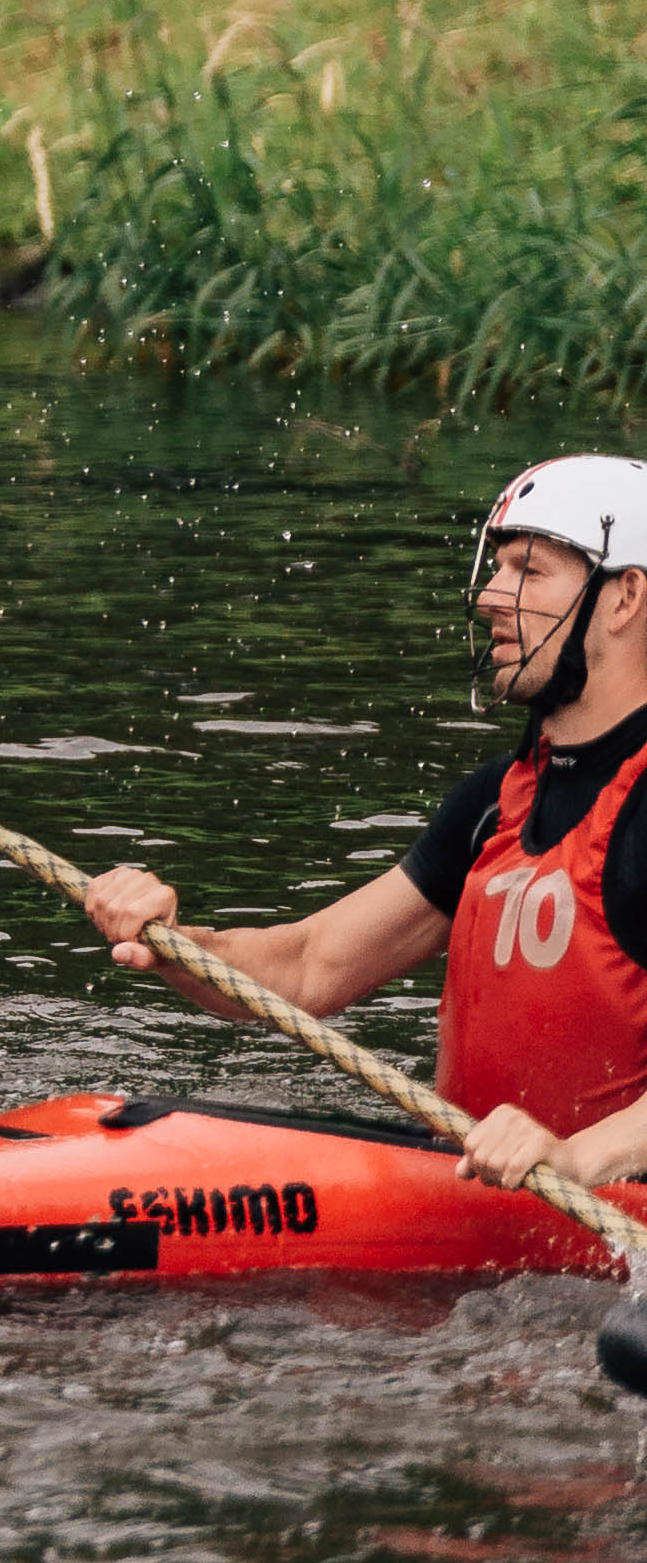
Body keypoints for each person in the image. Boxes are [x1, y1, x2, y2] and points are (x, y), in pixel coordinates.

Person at [77, 454, 647, 1193]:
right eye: (498, 568)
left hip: (606, 1227)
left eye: (528, 573)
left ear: (625, 596)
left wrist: (577, 1160)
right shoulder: (493, 803)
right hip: (481, 1200)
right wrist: (176, 944)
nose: (488, 596)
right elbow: (310, 966)